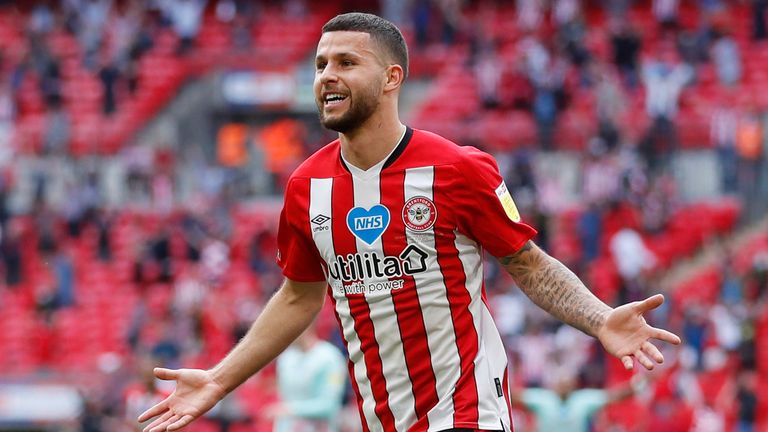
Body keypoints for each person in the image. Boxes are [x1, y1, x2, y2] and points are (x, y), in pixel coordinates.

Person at [138, 12, 681, 432]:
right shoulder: (307, 187)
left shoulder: (459, 169)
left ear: (392, 77)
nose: (328, 76)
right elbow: (299, 296)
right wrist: (219, 379)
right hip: (382, 417)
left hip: (468, 410)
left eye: (347, 63)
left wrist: (599, 319)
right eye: (321, 64)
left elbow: (528, 264)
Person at [268, 321, 347, 432]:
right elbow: (284, 400)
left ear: (305, 325)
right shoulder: (285, 358)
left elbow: (330, 405)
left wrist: (290, 410)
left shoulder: (331, 357)